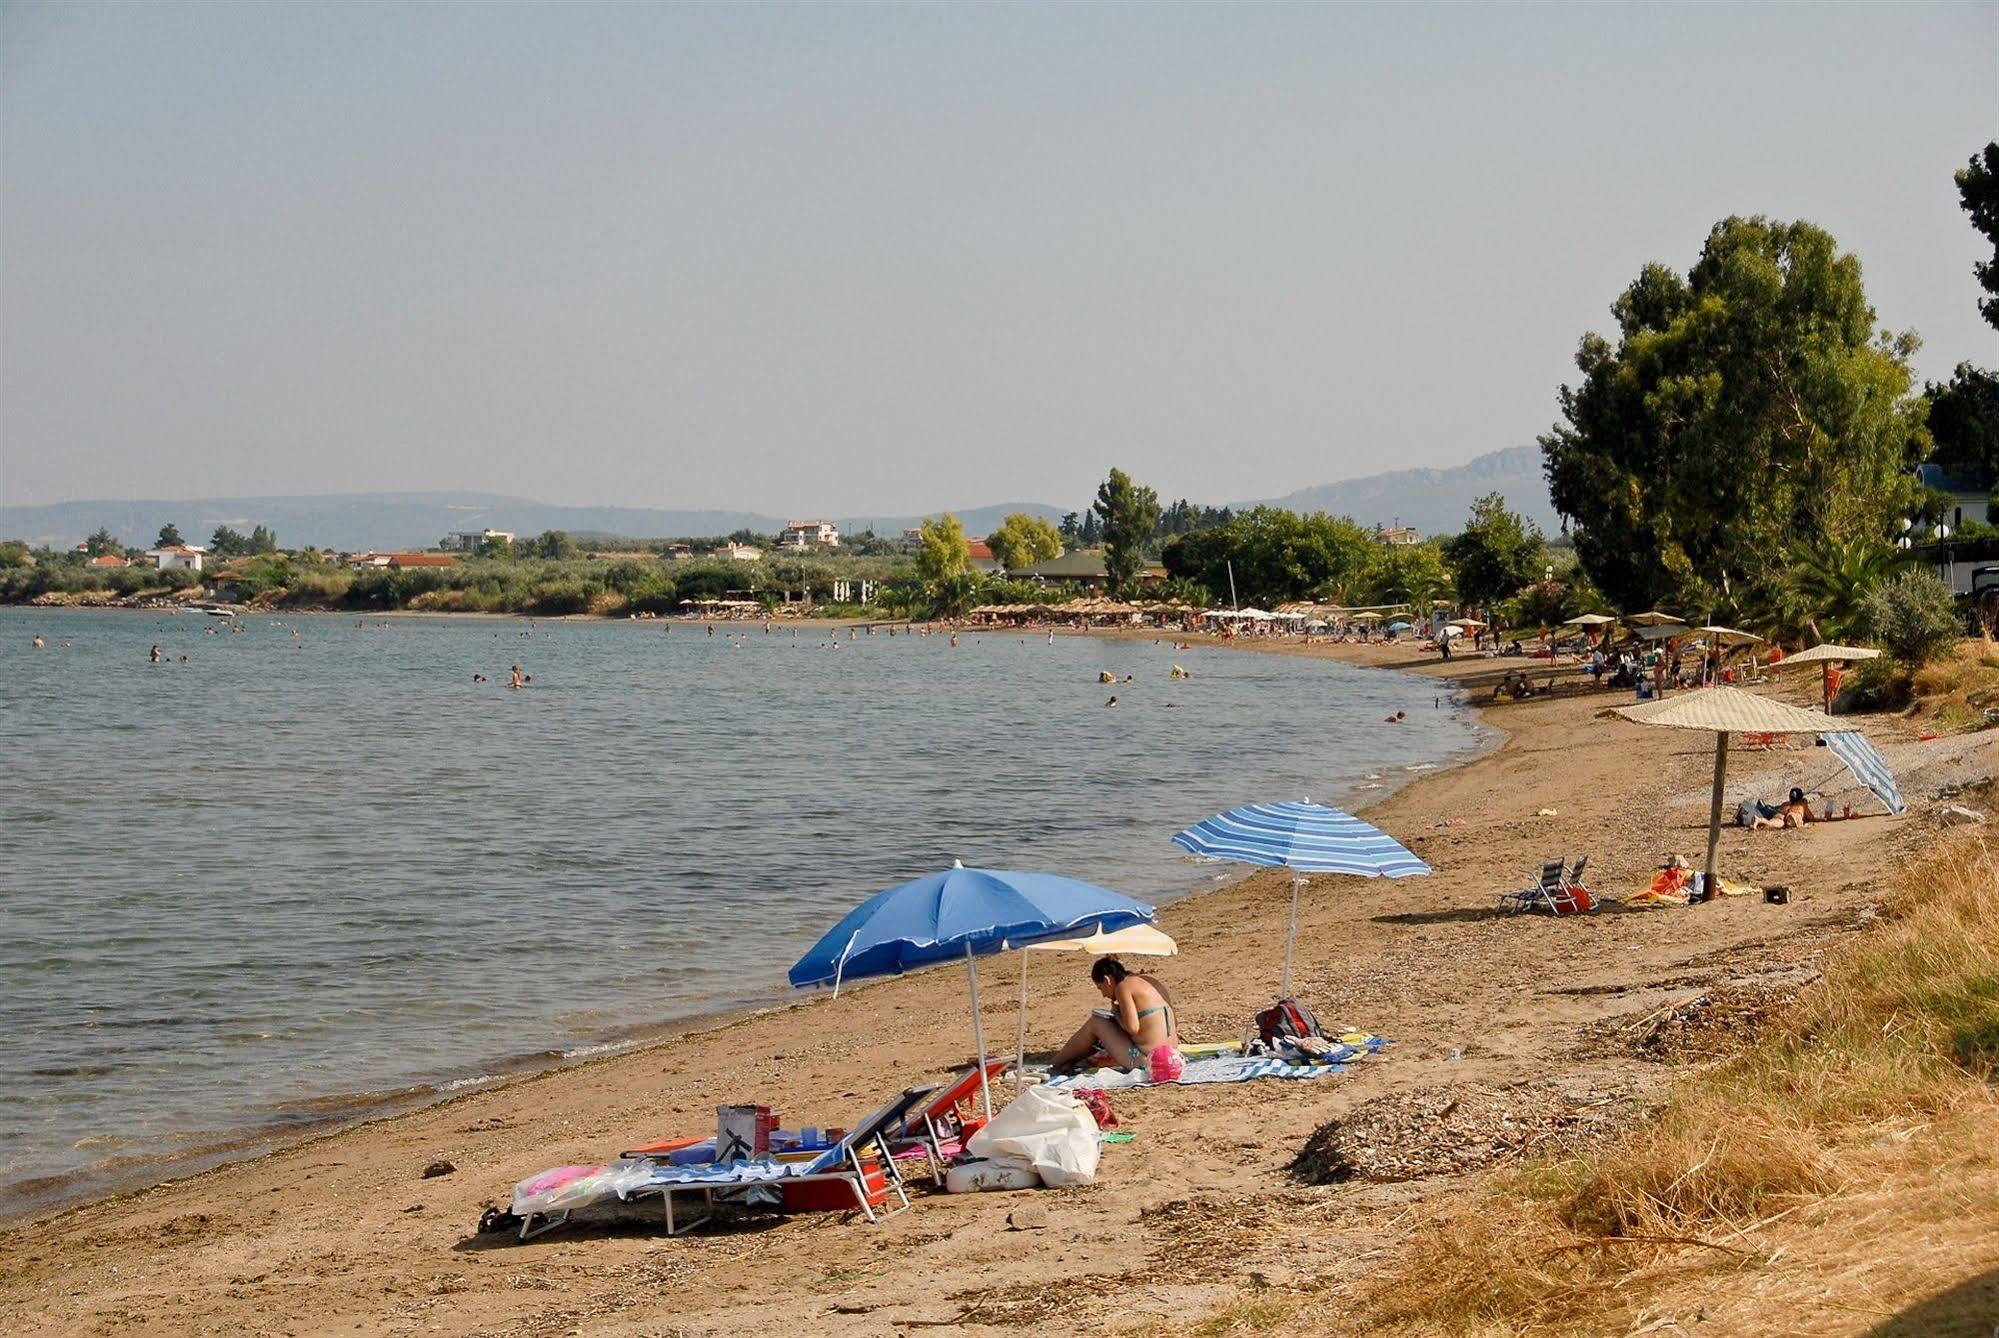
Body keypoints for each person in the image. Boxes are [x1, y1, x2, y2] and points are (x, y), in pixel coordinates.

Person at [1050, 957, 1180, 1075]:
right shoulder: (1150, 981)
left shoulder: (1123, 987)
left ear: (1107, 980)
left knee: (1096, 1023)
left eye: (1100, 988)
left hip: (1149, 1062)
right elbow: (1174, 1022)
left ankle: (1055, 1064)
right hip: (1173, 1058)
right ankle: (1068, 1062)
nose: (1103, 995)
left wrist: (1116, 1014)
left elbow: (1132, 1028)